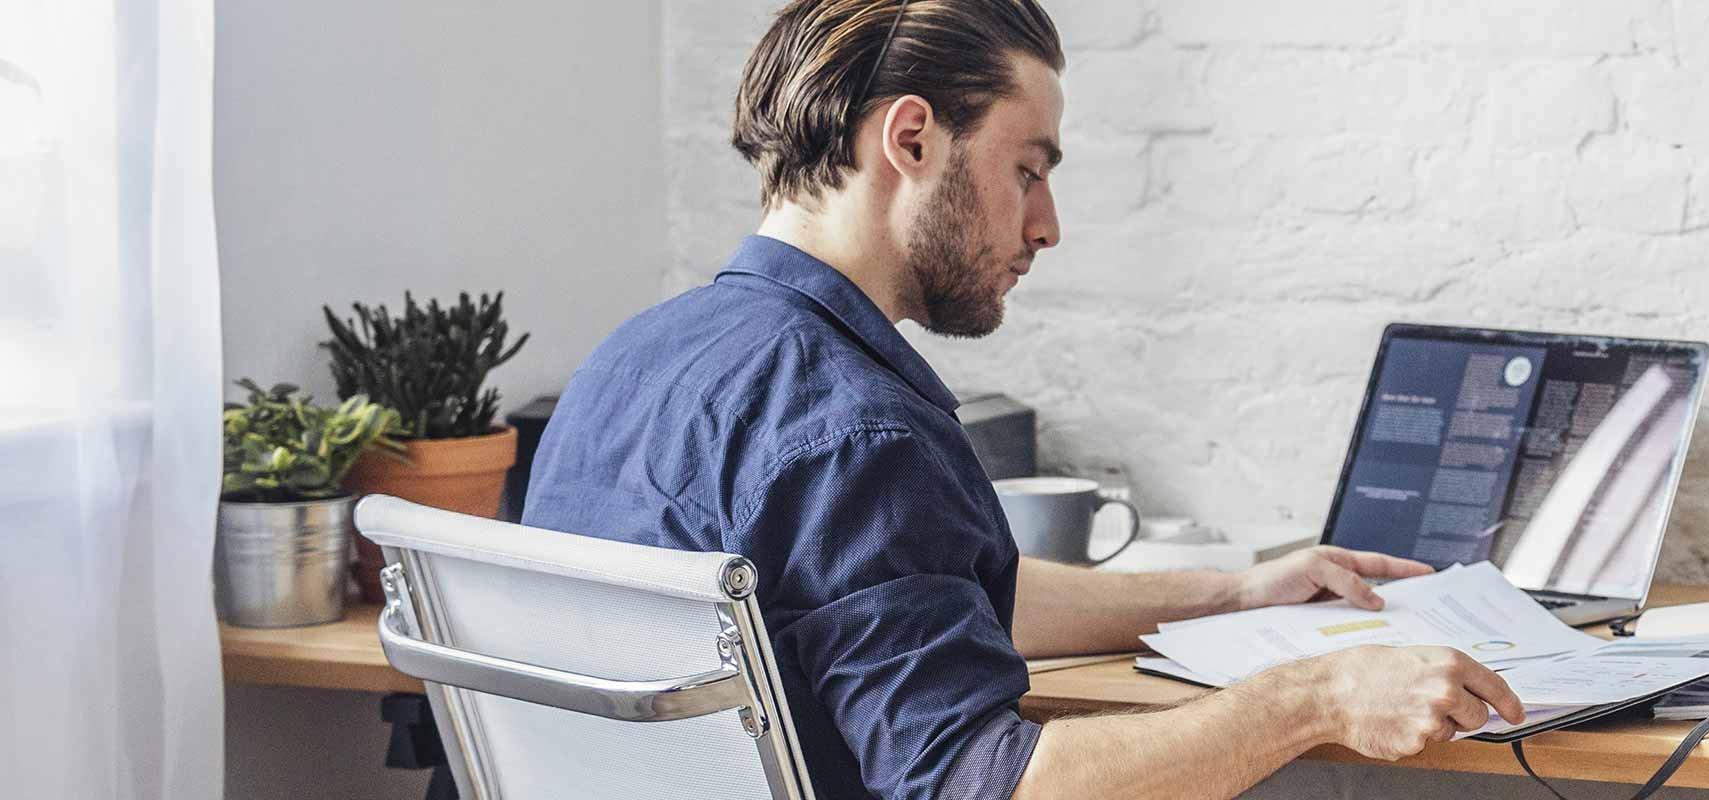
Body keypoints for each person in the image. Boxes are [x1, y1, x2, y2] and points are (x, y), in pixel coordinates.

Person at [520, 1, 1523, 797]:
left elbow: (923, 591)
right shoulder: (855, 431)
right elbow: (986, 784)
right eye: (1027, 170)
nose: (1046, 225)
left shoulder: (635, 361)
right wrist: (1318, 695)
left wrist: (1233, 590)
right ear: (910, 138)